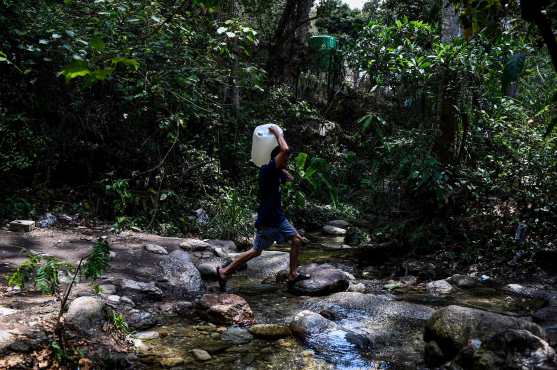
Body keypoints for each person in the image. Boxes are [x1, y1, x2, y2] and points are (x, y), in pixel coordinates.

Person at [217, 125, 309, 290]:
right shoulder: (267, 170)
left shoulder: (274, 171)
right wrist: (277, 133)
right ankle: (225, 271)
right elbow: (285, 150)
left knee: (295, 240)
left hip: (277, 217)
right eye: (284, 160)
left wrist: (284, 171)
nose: (287, 161)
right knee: (256, 251)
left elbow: (289, 177)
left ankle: (293, 274)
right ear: (276, 158)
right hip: (268, 219)